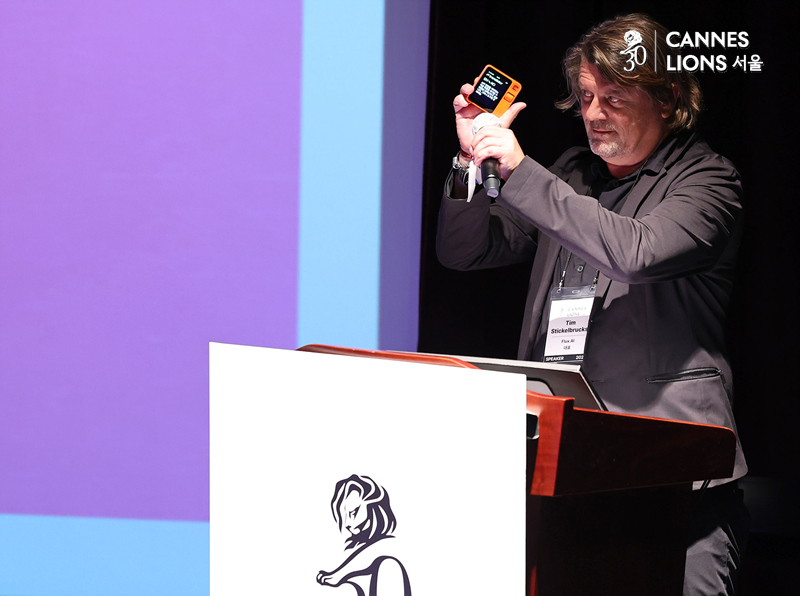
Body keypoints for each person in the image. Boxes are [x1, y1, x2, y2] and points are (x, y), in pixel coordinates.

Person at [436, 13, 749, 596]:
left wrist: (520, 169)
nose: (594, 113)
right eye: (585, 97)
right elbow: (465, 249)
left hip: (676, 475)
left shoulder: (709, 180)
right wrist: (467, 163)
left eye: (614, 97)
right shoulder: (571, 175)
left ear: (667, 97)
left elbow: (637, 253)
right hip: (566, 463)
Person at [317, 474, 412, 596]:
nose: (347, 523)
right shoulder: (356, 549)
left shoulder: (387, 556)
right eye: (343, 516)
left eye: (353, 512)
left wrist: (339, 574)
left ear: (372, 505)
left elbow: (388, 544)